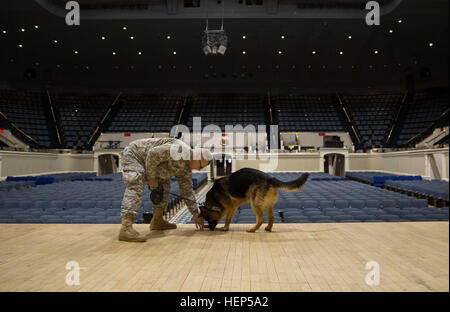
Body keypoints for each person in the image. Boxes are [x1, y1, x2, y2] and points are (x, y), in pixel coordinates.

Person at [118, 137, 211, 242]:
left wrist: (195, 213)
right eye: (200, 166)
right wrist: (151, 177)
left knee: (165, 186)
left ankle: (157, 221)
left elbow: (187, 190)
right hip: (135, 155)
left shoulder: (186, 169)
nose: (199, 169)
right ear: (197, 158)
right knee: (136, 182)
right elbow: (153, 153)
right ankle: (126, 227)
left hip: (154, 165)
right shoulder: (180, 149)